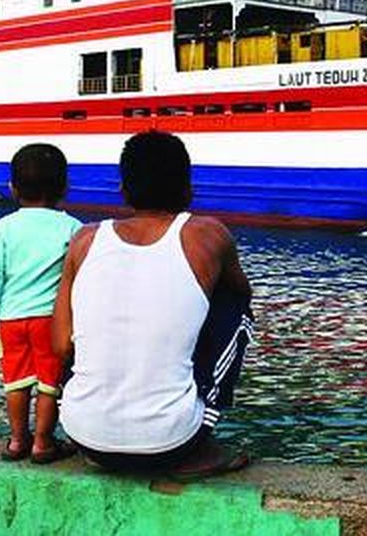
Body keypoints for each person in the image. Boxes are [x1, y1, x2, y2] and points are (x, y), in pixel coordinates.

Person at [53, 130, 254, 478]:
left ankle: (105, 426)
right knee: (235, 307)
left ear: (123, 190)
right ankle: (202, 440)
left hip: (82, 433)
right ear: (188, 187)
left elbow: (59, 344)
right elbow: (243, 292)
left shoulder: (84, 240)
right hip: (173, 442)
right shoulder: (208, 234)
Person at [0, 144, 81, 463]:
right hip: (51, 321)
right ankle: (42, 443)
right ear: (64, 188)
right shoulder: (73, 228)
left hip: (11, 320)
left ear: (12, 188)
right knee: (49, 383)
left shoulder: (5, 227)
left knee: (16, 382)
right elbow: (79, 279)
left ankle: (17, 441)